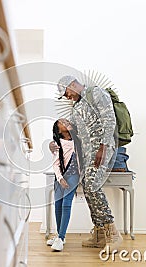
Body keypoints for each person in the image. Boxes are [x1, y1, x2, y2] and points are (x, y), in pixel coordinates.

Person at [52, 75, 123, 253]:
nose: (67, 97)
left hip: (101, 148)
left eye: (66, 92)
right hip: (87, 153)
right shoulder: (76, 107)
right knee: (87, 186)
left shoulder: (96, 93)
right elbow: (72, 132)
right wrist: (54, 142)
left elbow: (109, 120)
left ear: (73, 84)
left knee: (92, 185)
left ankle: (112, 233)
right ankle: (99, 233)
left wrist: (103, 146)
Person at [47, 119, 81, 251]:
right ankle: (60, 236)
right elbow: (55, 164)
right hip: (60, 177)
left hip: (73, 176)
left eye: (66, 121)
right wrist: (60, 178)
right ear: (58, 130)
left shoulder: (77, 140)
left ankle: (61, 238)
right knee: (58, 205)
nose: (65, 122)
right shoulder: (58, 143)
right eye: (61, 123)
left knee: (66, 204)